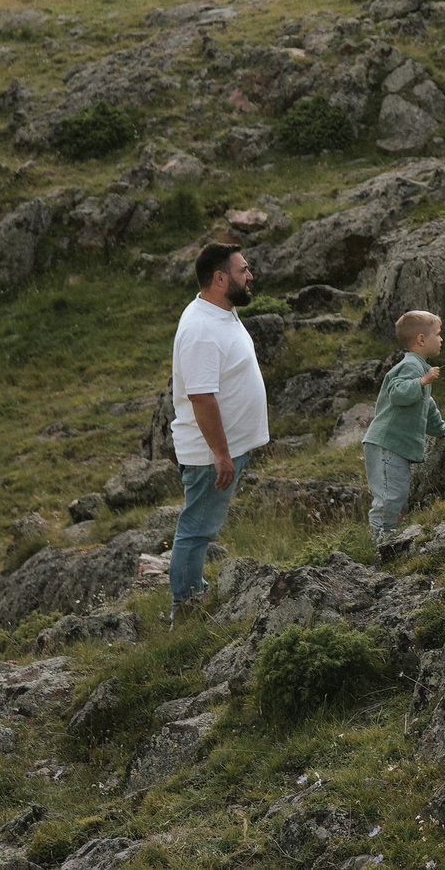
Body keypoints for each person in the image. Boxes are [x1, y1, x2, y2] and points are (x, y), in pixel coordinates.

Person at [167, 242, 268, 618]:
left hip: (223, 448)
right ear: (220, 278)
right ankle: (186, 608)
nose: (250, 275)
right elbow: (201, 398)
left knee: (201, 527)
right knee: (195, 530)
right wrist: (221, 454)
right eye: (243, 270)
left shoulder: (220, 311)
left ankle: (193, 595)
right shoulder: (201, 329)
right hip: (210, 453)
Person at [365, 309, 445, 545]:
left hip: (393, 446)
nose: (441, 339)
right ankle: (379, 543)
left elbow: (425, 404)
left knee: (395, 496)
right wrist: (422, 381)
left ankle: (385, 539)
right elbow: (398, 394)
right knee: (389, 498)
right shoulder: (411, 366)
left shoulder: (419, 366)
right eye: (438, 334)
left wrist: (441, 427)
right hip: (386, 444)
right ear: (421, 339)